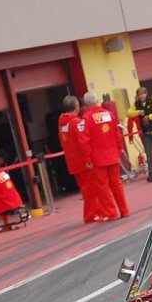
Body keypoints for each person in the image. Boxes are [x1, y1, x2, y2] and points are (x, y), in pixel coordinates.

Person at [82, 92, 130, 220]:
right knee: (116, 183)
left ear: (86, 104)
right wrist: (118, 151)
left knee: (103, 187)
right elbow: (117, 135)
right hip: (112, 154)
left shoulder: (87, 118)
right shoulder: (109, 114)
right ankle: (124, 210)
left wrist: (88, 158)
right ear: (97, 101)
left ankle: (111, 213)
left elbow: (85, 141)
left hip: (98, 158)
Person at [58, 95, 101, 224]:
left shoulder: (61, 122)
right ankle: (90, 215)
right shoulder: (77, 123)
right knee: (90, 189)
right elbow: (83, 143)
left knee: (85, 189)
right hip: (83, 162)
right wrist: (89, 159)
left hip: (72, 162)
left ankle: (95, 212)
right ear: (76, 107)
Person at [126, 86, 152, 182]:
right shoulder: (136, 106)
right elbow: (129, 117)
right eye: (139, 95)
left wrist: (150, 117)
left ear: (146, 93)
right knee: (149, 154)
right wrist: (130, 135)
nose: (141, 96)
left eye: (142, 94)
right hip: (145, 132)